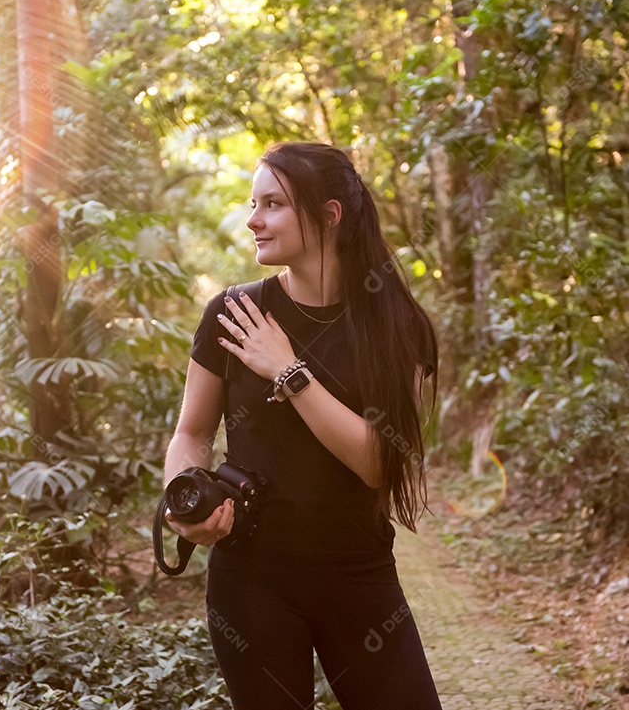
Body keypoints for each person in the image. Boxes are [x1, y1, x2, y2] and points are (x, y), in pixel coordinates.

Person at [162, 142, 442, 710]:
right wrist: (185, 503)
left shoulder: (396, 326)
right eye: (253, 203)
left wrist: (288, 371)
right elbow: (191, 433)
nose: (253, 219)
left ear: (330, 214)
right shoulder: (232, 315)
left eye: (273, 204)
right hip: (250, 580)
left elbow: (379, 463)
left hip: (358, 576)